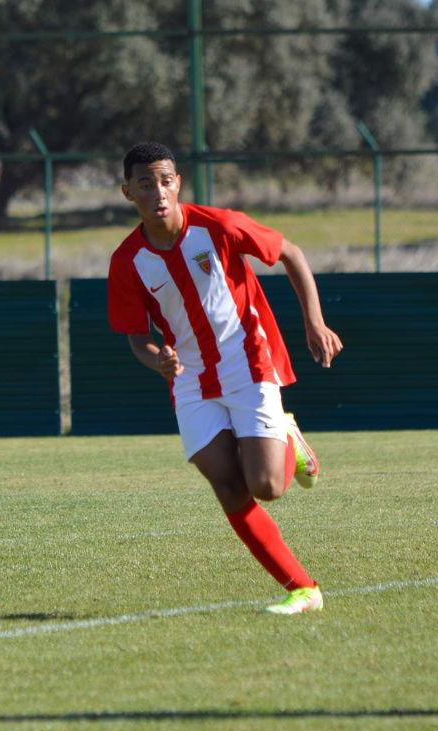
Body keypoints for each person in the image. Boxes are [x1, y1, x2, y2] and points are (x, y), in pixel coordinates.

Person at [107, 141, 343, 615]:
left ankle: (287, 437)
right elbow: (137, 339)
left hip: (248, 363)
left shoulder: (219, 226)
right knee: (229, 487)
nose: (158, 192)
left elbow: (291, 253)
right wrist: (158, 361)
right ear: (128, 192)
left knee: (267, 487)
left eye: (166, 181)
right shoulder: (127, 260)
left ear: (179, 183)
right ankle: (303, 589)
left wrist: (314, 322)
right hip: (190, 381)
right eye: (146, 184)